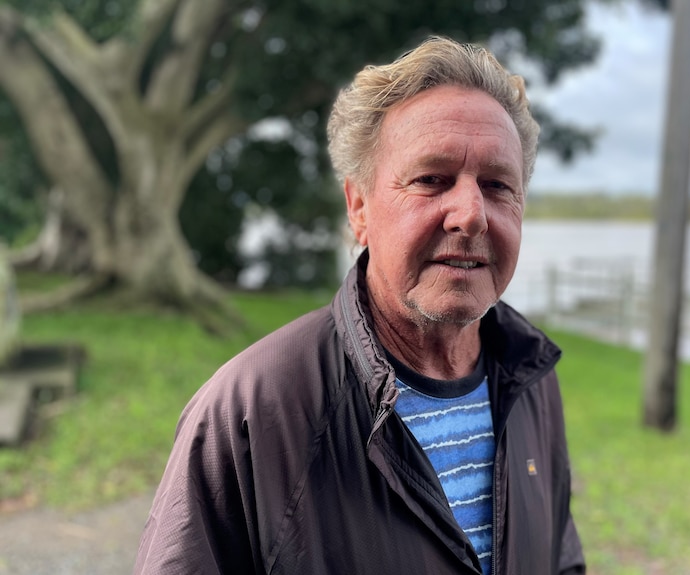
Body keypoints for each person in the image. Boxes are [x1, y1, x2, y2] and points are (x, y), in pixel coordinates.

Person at [134, 36, 585, 575]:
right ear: (359, 207)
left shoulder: (529, 376)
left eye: (496, 185)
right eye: (431, 180)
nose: (470, 214)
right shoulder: (251, 412)